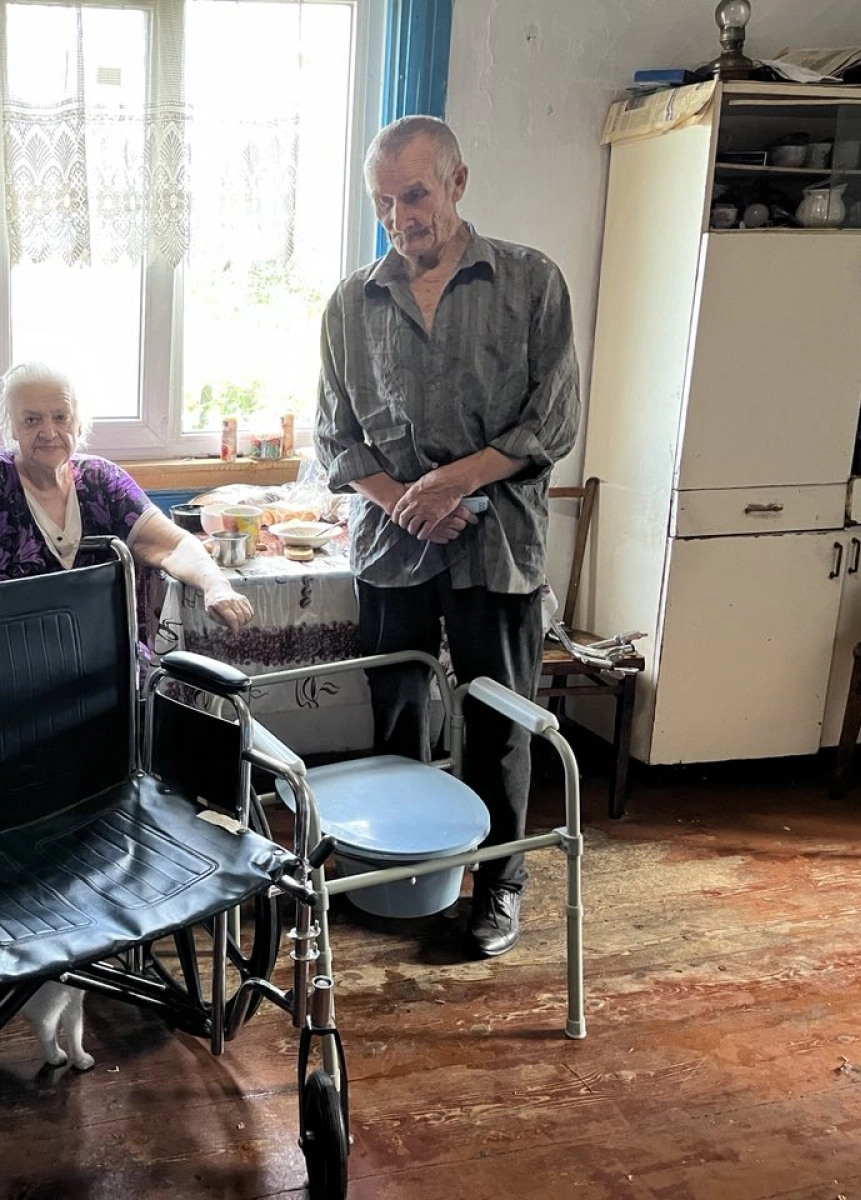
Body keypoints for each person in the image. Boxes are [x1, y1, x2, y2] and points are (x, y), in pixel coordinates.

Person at [314, 116, 580, 959]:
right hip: (391, 542)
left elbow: (552, 421)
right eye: (382, 202)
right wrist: (408, 502)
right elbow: (336, 438)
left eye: (415, 195)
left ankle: (499, 883)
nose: (399, 217)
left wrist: (455, 483)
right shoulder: (349, 304)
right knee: (396, 715)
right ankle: (397, 870)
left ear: (458, 183)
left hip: (497, 542)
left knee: (499, 720)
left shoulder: (531, 282)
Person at [0, 361, 254, 636]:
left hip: (106, 663)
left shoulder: (103, 481)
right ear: (13, 428)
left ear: (78, 424)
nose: (48, 432)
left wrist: (215, 585)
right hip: (14, 664)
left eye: (61, 417)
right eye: (31, 420)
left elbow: (173, 545)